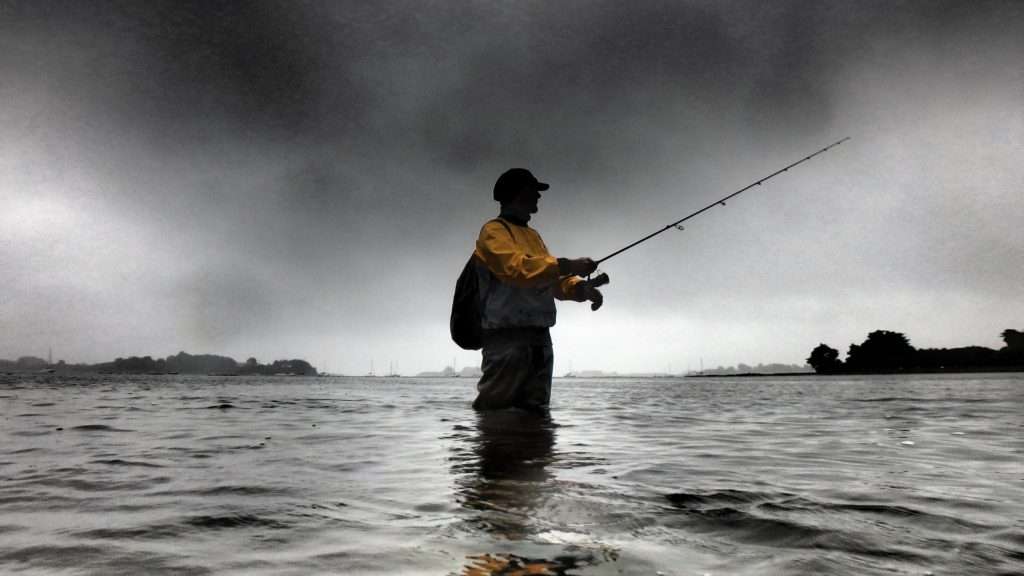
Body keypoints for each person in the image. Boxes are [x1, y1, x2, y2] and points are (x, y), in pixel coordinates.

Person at [471, 168, 605, 411]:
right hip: (506, 342)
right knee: (497, 417)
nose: (539, 197)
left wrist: (580, 289)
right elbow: (517, 269)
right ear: (518, 193)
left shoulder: (534, 236)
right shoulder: (493, 231)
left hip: (540, 343)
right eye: (535, 191)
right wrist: (567, 264)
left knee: (536, 418)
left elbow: (549, 279)